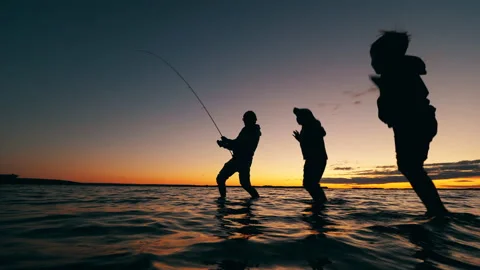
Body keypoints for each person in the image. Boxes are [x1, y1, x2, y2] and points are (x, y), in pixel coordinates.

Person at [369, 30, 448, 216]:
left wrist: (385, 89)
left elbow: (404, 100)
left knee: (410, 167)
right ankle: (435, 209)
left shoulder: (396, 73)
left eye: (375, 58)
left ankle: (437, 210)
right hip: (415, 123)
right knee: (410, 167)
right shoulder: (399, 72)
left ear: (388, 57)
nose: (372, 63)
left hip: (413, 123)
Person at [216, 111, 261, 199]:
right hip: (243, 161)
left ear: (251, 120)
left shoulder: (251, 131)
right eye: (243, 119)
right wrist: (226, 142)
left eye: (245, 119)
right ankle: (256, 200)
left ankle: (222, 201)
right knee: (245, 184)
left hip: (240, 161)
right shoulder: (249, 130)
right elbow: (237, 143)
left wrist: (225, 143)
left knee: (221, 178)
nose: (243, 120)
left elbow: (239, 145)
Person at [293, 107, 328, 206]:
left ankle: (321, 202)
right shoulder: (306, 127)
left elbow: (319, 135)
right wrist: (300, 139)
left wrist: (303, 138)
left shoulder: (313, 125)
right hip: (311, 158)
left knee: (310, 183)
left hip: (317, 158)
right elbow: (308, 142)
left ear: (306, 117)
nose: (297, 119)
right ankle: (320, 202)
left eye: (299, 117)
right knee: (309, 184)